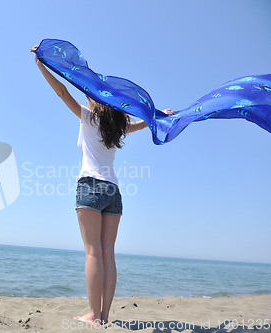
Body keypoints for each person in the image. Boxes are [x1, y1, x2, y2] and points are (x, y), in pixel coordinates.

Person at [30, 45, 174, 327]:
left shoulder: (88, 117)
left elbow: (62, 92)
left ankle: (93, 316)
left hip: (90, 187)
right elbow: (135, 124)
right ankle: (105, 315)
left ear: (96, 102)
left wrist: (41, 66)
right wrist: (155, 116)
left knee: (93, 252)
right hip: (114, 193)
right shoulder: (116, 126)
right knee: (108, 253)